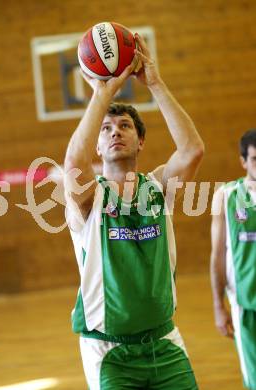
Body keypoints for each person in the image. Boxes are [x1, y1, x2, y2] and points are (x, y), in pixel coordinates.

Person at [64, 32, 204, 390]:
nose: (115, 132)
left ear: (140, 140)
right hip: (110, 351)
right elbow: (73, 163)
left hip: (164, 342)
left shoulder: (158, 188)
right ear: (98, 146)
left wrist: (154, 82)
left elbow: (192, 151)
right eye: (107, 128)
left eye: (125, 126)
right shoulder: (88, 198)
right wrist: (101, 94)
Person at [210, 129, 256, 390]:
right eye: (255, 159)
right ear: (243, 162)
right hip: (246, 304)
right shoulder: (226, 196)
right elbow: (218, 255)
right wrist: (218, 305)